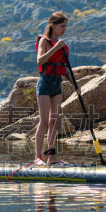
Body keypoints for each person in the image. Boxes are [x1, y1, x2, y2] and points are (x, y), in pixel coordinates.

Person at [34, 11, 79, 165]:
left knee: (55, 121)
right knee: (44, 121)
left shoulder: (63, 46)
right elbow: (40, 61)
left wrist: (75, 85)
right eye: (62, 26)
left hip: (57, 84)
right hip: (45, 83)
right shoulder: (44, 42)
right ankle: (38, 157)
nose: (64, 29)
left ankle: (51, 158)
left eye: (65, 26)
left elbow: (65, 69)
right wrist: (55, 48)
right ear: (52, 25)